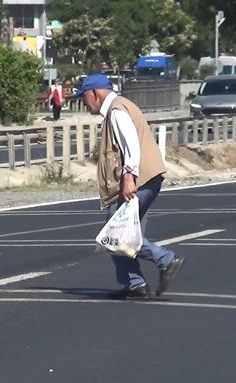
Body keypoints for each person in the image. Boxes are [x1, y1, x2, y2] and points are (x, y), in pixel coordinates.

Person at [76, 74, 185, 300]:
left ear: (95, 93)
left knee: (116, 234)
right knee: (120, 232)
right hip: (145, 179)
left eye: (84, 97)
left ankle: (165, 260)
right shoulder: (119, 107)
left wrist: (128, 177)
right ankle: (135, 285)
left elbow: (131, 145)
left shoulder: (117, 111)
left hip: (139, 180)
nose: (84, 103)